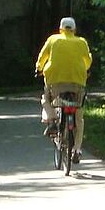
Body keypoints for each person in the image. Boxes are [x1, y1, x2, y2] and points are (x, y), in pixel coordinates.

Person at [35, 17, 92, 158]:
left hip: (55, 83)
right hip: (77, 83)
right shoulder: (81, 42)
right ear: (74, 30)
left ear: (60, 29)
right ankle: (77, 150)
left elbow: (42, 56)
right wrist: (84, 69)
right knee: (79, 116)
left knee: (46, 99)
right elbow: (88, 60)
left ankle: (53, 120)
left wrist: (38, 68)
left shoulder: (53, 40)